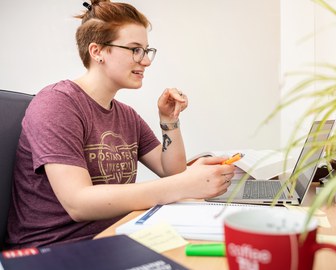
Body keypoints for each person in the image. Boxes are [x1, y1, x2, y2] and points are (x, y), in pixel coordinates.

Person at [5, 0, 235, 249]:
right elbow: (78, 203)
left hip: (113, 237)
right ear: (97, 52)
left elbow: (171, 172)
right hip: (52, 250)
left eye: (147, 51)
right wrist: (184, 184)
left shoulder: (127, 116)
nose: (145, 61)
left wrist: (169, 121)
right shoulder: (56, 104)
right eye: (135, 49)